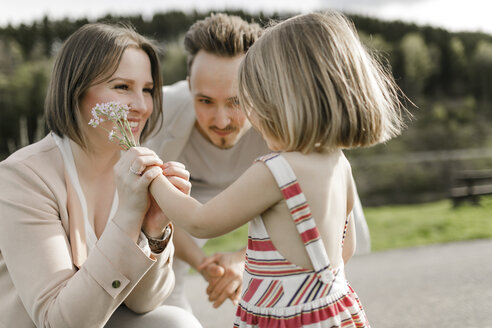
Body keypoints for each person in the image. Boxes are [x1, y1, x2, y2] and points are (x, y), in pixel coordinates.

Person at [146, 11, 406, 327]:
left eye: (245, 100)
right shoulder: (340, 163)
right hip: (332, 311)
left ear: (280, 99)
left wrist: (152, 177)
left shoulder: (274, 170)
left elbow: (200, 222)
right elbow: (343, 248)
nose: (232, 118)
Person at [0, 23, 201, 327]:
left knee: (177, 322)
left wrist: (154, 232)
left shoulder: (136, 170)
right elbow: (60, 322)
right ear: (76, 90)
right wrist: (129, 214)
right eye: (122, 87)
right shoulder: (24, 177)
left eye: (147, 90)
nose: (141, 105)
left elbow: (145, 302)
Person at [145, 13, 270, 311]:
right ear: (189, 86)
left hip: (268, 193)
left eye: (236, 101)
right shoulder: (156, 113)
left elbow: (311, 214)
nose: (221, 120)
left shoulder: (284, 114)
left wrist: (242, 260)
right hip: (184, 199)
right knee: (154, 273)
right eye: (205, 101)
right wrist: (207, 267)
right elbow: (153, 213)